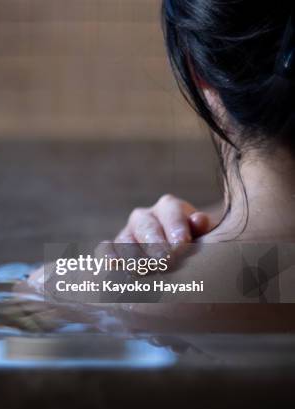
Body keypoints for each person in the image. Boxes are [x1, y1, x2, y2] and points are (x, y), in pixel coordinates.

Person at [25, 1, 295, 330]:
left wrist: (96, 272)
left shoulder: (151, 291)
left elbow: (28, 295)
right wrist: (211, 218)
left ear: (199, 70)